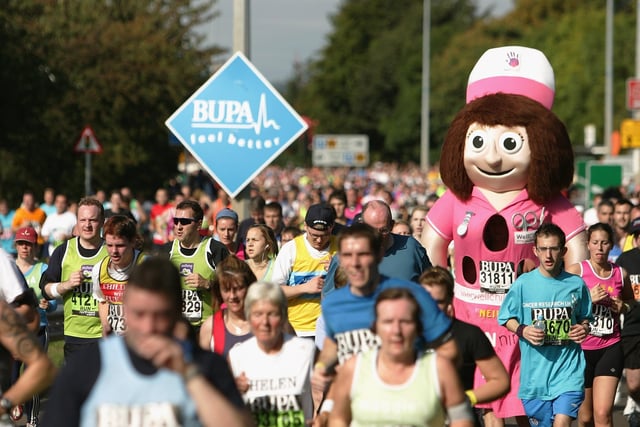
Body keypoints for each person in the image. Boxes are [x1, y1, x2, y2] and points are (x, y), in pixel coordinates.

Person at [422, 46, 587, 426]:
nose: (494, 159)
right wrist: (438, 292)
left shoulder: (547, 201)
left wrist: (567, 294)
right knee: (474, 405)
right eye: (479, 142)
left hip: (528, 315)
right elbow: (433, 243)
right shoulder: (457, 199)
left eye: (510, 144)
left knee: (527, 402)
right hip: (467, 310)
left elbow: (576, 249)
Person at [45, 257, 251, 427]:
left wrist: (190, 374)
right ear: (124, 308)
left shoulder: (206, 366)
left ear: (178, 310)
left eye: (160, 315)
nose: (148, 327)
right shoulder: (88, 365)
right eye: (139, 314)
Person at [313, 223, 456, 425]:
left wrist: (417, 377)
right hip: (358, 411)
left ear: (379, 255)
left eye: (363, 254)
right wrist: (321, 368)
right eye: (347, 255)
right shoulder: (333, 304)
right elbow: (334, 347)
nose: (355, 263)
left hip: (407, 408)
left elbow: (449, 347)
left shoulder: (410, 296)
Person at [329, 288, 474, 427]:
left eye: (405, 322)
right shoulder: (354, 368)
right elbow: (338, 418)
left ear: (418, 327)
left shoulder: (439, 368)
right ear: (374, 327)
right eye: (388, 322)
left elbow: (461, 420)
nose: (396, 331)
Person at [498, 223, 593, 427]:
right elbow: (505, 317)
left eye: (554, 248)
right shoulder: (523, 283)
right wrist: (523, 330)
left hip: (568, 372)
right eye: (543, 249)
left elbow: (586, 318)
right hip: (535, 380)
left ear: (563, 250)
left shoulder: (576, 284)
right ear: (535, 250)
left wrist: (583, 328)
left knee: (561, 423)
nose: (548, 255)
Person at [420, 266, 510, 427]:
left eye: (438, 302)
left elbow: (500, 381)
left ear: (449, 300)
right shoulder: (406, 334)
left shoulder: (469, 334)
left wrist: (467, 398)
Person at [566, 223, 635, 427]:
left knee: (603, 414)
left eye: (604, 243)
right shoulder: (575, 272)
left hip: (610, 346)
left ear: (611, 245)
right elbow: (560, 306)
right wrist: (588, 299)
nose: (599, 247)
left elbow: (631, 303)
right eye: (595, 242)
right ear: (587, 244)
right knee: (585, 418)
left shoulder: (620, 273)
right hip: (581, 350)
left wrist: (623, 306)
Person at [228, 281, 316, 426]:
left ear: (283, 317)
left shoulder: (306, 350)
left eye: (272, 314)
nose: (265, 322)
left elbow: (329, 390)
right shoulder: (237, 356)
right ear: (249, 318)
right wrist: (233, 393)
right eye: (258, 314)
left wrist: (324, 413)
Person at [40, 197, 108, 360]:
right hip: (75, 335)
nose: (87, 225)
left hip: (106, 335)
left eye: (92, 220)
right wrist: (67, 285)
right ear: (77, 222)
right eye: (82, 220)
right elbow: (46, 289)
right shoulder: (64, 251)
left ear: (102, 222)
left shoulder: (112, 251)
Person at [323, 200, 431, 294]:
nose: (377, 236)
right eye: (372, 230)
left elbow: (432, 287)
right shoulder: (344, 258)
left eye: (383, 230)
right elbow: (329, 301)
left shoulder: (411, 247)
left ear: (392, 225)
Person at [271, 203, 338, 338]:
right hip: (297, 329)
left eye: (324, 235)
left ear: (332, 228)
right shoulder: (291, 249)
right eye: (314, 235)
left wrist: (338, 269)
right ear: (305, 227)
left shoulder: (342, 247)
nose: (319, 240)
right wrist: (305, 288)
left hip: (331, 328)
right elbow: (274, 292)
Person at [13, 227, 56, 427]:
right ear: (16, 245)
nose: (25, 247)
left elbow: (53, 301)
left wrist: (48, 304)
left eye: (28, 244)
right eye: (21, 243)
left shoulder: (42, 270)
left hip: (38, 330)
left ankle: (32, 421)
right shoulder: (8, 269)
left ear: (35, 247)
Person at [169, 199, 229, 330]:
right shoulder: (167, 251)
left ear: (198, 224)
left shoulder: (216, 249)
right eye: (176, 221)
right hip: (177, 328)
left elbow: (233, 287)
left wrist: (208, 284)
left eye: (185, 222)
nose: (179, 226)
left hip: (208, 327)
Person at [92, 215, 145, 336]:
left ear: (132, 242)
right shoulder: (99, 269)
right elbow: (103, 301)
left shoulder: (146, 267)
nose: (114, 251)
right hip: (115, 341)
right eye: (109, 245)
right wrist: (105, 325)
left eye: (120, 246)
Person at [198, 255, 257, 355]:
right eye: (226, 290)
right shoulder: (210, 327)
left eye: (238, 288)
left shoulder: (267, 321)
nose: (232, 296)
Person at [615, 217, 640, 426]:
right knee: (633, 385)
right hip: (633, 329)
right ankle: (637, 406)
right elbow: (616, 294)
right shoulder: (625, 260)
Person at [149, 188, 173, 255]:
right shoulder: (154, 208)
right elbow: (152, 223)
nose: (161, 198)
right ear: (156, 197)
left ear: (167, 196)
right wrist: (151, 226)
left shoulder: (172, 207)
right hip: (158, 239)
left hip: (170, 239)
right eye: (159, 196)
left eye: (163, 196)